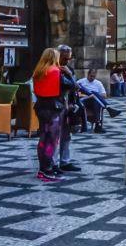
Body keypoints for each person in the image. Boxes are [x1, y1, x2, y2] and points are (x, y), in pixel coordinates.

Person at [31, 48, 72, 183]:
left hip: (41, 108)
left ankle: (43, 168)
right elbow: (73, 86)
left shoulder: (38, 72)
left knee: (43, 139)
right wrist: (69, 74)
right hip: (54, 109)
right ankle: (47, 170)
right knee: (52, 141)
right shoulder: (57, 72)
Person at [55, 44, 80, 174]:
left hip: (68, 106)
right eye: (65, 58)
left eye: (69, 58)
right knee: (55, 136)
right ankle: (53, 164)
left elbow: (76, 87)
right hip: (56, 106)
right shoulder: (53, 69)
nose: (67, 61)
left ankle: (65, 161)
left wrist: (69, 74)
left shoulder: (69, 69)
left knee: (66, 136)